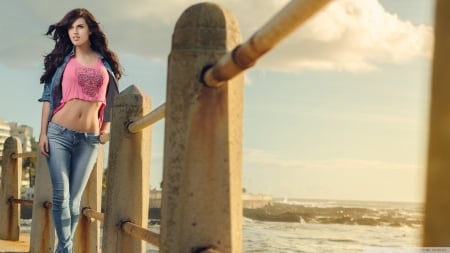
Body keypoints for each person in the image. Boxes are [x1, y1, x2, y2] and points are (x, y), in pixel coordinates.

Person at [38, 8, 122, 253]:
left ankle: (62, 248)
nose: (74, 32)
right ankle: (65, 249)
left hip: (90, 140)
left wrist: (105, 128)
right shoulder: (62, 61)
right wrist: (43, 133)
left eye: (80, 27)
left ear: (90, 30)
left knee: (74, 202)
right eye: (71, 28)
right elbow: (46, 100)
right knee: (60, 197)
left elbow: (110, 98)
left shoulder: (104, 62)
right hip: (58, 133)